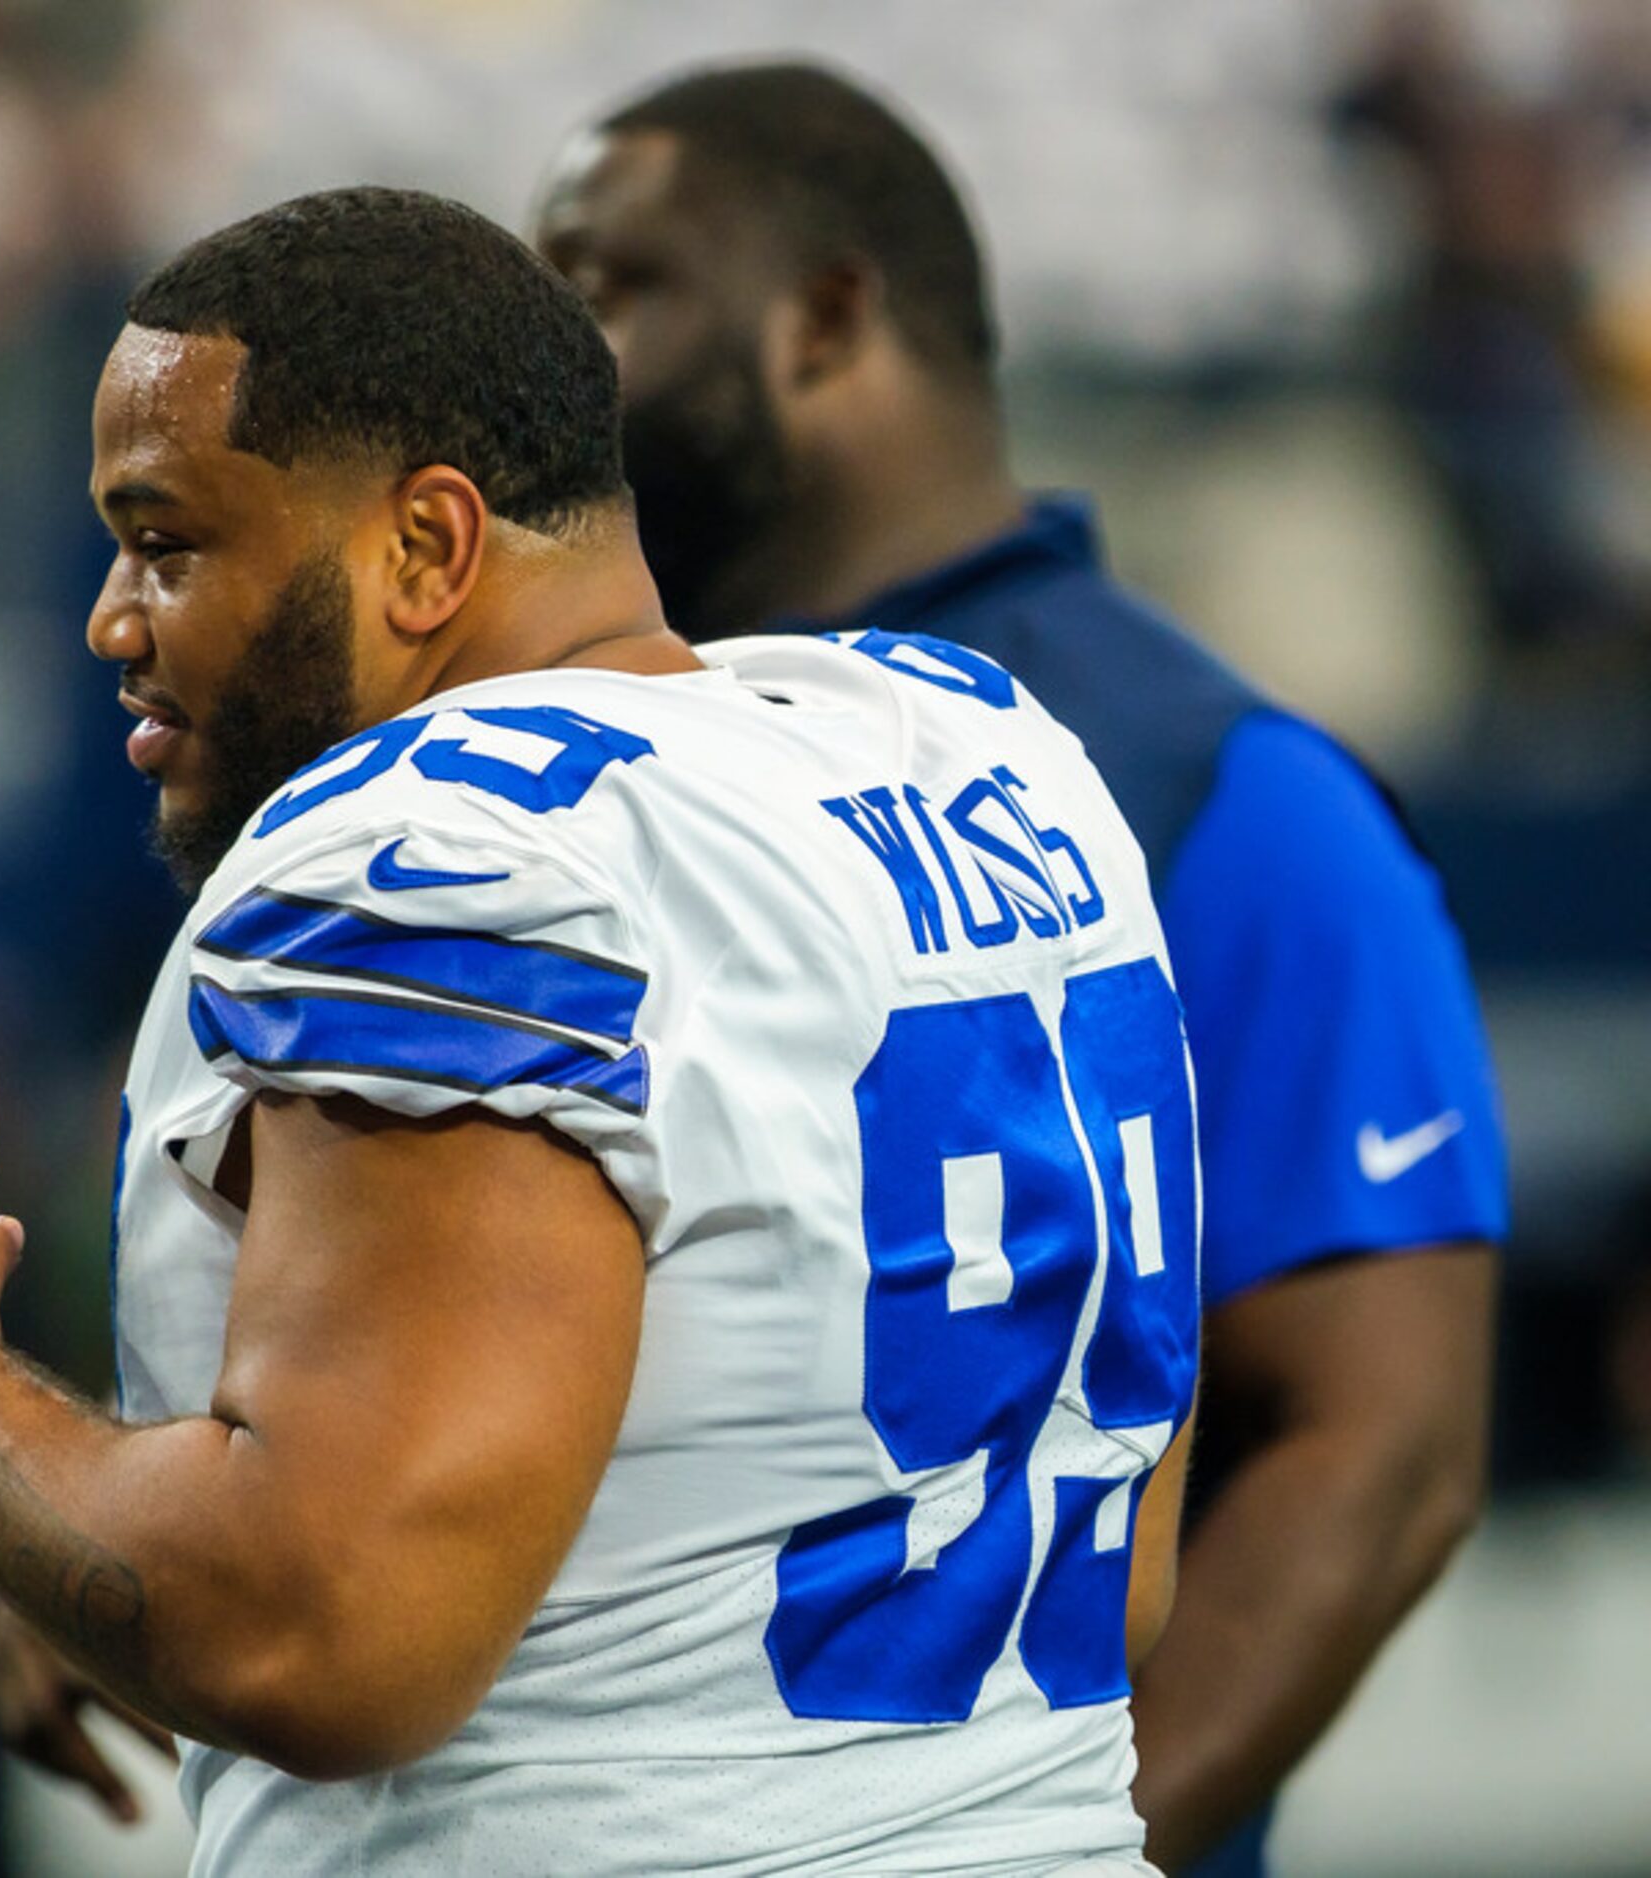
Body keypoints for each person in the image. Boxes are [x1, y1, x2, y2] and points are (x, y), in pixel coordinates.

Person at [0, 184, 1202, 1874]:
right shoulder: (975, 755)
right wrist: (104, 1538)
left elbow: (330, 1631)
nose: (113, 620)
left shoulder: (433, 850)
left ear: (425, 546)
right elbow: (1107, 1552)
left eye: (170, 540)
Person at [531, 63, 1508, 1877]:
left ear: (828, 320)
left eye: (610, 284)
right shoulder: (574, 763)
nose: (552, 360)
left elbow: (1382, 1446)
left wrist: (1053, 1849)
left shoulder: (1225, 792)